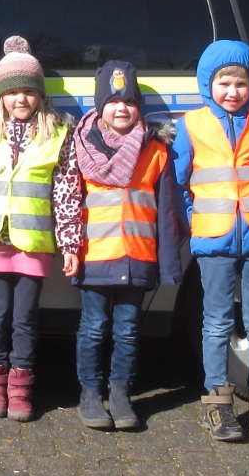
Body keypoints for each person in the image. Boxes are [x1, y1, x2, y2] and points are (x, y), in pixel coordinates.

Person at [172, 39, 249, 444]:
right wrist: (195, 221)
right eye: (224, 82)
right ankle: (218, 400)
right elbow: (179, 183)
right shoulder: (192, 125)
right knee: (217, 322)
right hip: (214, 240)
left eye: (241, 83)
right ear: (208, 84)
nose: (232, 91)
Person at [71, 60, 184, 430]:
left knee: (129, 329)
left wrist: (168, 265)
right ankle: (89, 394)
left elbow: (167, 215)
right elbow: (69, 202)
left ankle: (120, 393)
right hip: (95, 258)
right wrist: (70, 248)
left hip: (137, 259)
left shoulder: (156, 152)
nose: (122, 108)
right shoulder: (82, 147)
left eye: (130, 101)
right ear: (100, 106)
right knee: (92, 328)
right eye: (114, 101)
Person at [0, 37, 82, 423]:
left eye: (29, 92)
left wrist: (70, 242)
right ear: (1, 97)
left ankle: (20, 386)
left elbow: (66, 192)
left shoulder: (57, 135)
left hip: (33, 243)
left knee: (24, 317)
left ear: (40, 95)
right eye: (12, 92)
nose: (20, 100)